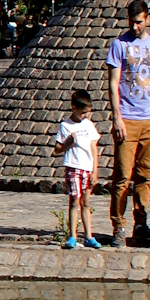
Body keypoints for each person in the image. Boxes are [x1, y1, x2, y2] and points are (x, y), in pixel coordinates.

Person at [104, 0, 150, 247]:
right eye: (132, 22)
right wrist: (117, 117)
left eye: (140, 22)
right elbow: (113, 83)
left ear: (148, 19)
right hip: (128, 119)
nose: (135, 27)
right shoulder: (119, 45)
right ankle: (118, 225)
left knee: (145, 175)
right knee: (122, 175)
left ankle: (141, 223)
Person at [53, 87, 102, 249]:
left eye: (87, 113)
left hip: (87, 167)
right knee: (74, 200)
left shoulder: (88, 125)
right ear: (74, 108)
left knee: (86, 202)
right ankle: (72, 235)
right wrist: (68, 143)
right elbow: (57, 148)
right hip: (74, 166)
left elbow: (93, 147)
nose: (85, 116)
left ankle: (89, 235)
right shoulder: (65, 126)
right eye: (82, 112)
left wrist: (95, 170)